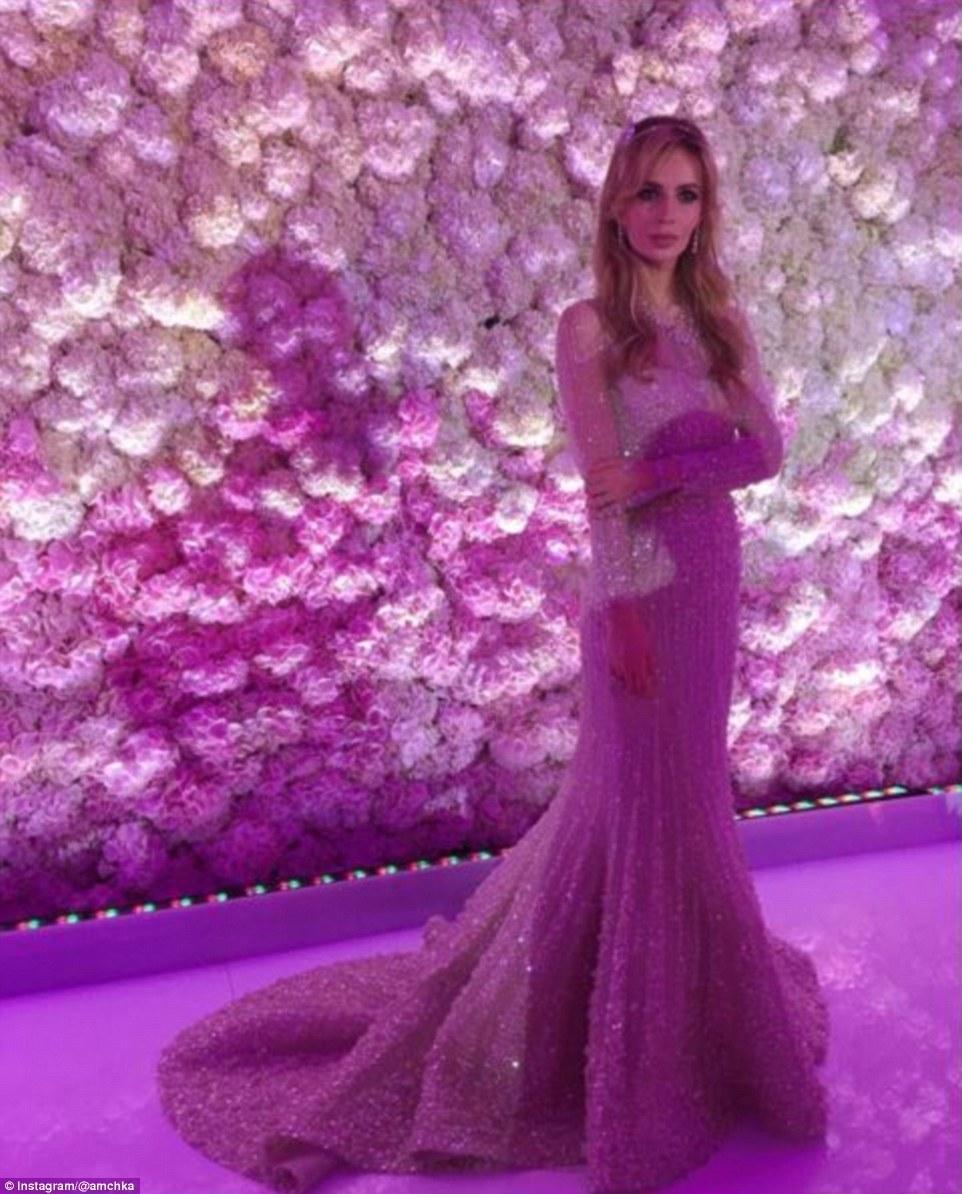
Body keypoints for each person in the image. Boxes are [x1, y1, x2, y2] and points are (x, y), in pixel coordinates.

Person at [156, 114, 829, 1194]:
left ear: (706, 210)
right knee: (627, 801)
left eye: (686, 194)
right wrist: (624, 605)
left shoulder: (719, 320)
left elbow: (768, 453)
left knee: (690, 795)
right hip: (639, 590)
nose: (666, 214)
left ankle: (688, 1024)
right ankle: (569, 1043)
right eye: (648, 192)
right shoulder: (587, 327)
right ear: (615, 205)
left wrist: (668, 467)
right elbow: (603, 490)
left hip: (711, 581)